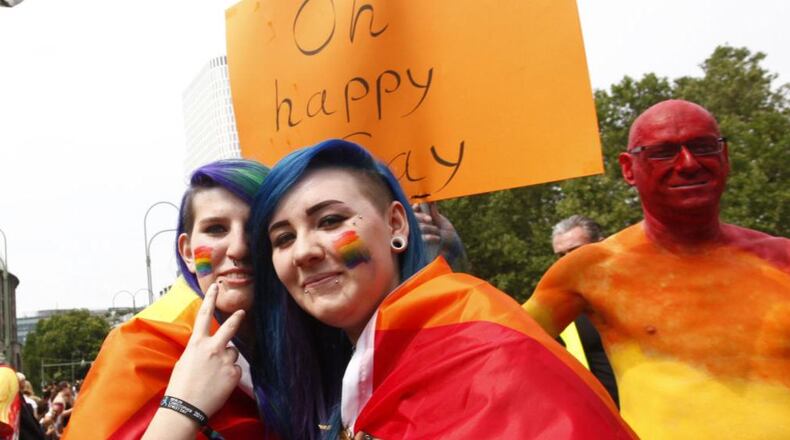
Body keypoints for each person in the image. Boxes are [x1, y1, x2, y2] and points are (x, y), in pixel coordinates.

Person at [168, 139, 627, 439]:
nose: (304, 251)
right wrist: (181, 406)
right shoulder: (341, 374)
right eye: (283, 238)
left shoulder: (480, 344)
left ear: (396, 224)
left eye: (329, 221)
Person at [524, 99, 790, 438]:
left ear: (724, 157)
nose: (689, 163)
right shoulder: (593, 270)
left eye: (703, 146)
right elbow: (490, 355)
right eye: (664, 152)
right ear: (628, 168)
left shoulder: (782, 258)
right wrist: (450, 263)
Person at [64, 159, 270, 439]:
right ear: (187, 252)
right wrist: (183, 409)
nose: (239, 248)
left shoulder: (321, 338)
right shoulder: (138, 350)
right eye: (216, 229)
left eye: (255, 228)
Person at [550, 215, 619, 406]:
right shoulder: (558, 307)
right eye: (560, 255)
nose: (566, 261)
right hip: (607, 421)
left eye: (575, 251)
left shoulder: (642, 288)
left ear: (601, 244)